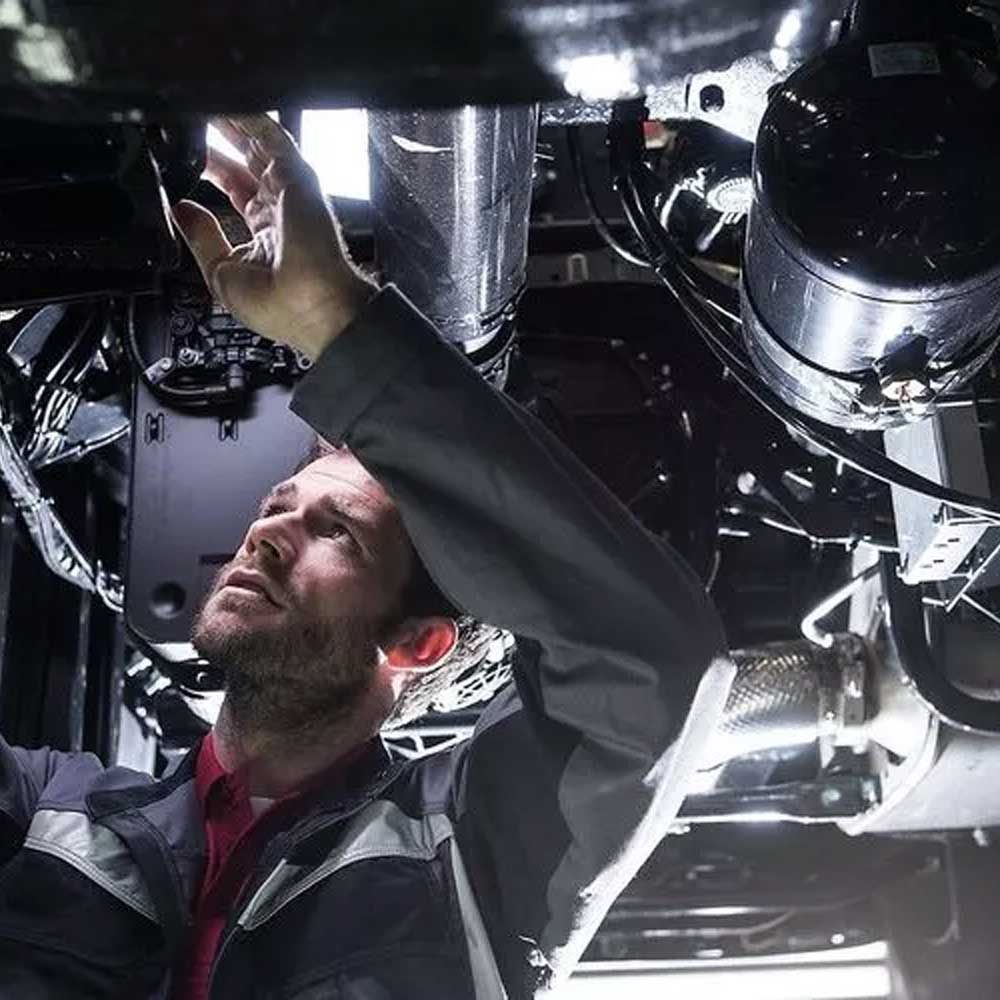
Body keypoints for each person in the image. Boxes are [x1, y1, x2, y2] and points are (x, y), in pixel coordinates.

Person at [0, 115, 733, 999]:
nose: (267, 534)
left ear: (417, 642)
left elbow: (650, 660)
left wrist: (333, 321)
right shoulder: (47, 808)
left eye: (336, 531)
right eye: (277, 508)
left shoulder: (468, 854)